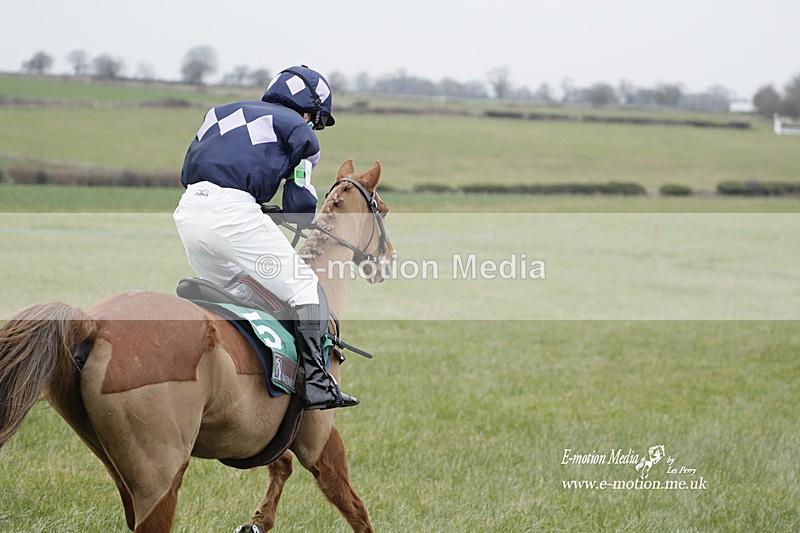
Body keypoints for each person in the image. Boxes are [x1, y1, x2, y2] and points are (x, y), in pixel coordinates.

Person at [173, 65, 358, 410]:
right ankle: (319, 385)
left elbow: (211, 171)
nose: (313, 126)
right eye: (315, 120)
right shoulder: (299, 131)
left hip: (188, 212)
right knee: (304, 288)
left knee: (243, 292)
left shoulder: (219, 113)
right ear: (308, 111)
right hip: (233, 214)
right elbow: (301, 205)